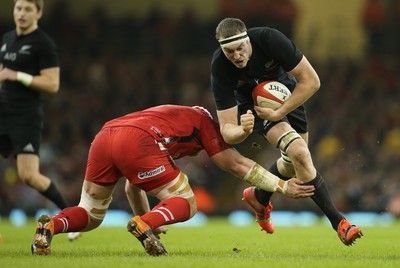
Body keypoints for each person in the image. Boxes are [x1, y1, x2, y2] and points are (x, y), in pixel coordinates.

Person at [31, 104, 315, 256]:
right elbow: (238, 165)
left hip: (107, 134)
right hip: (140, 140)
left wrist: (149, 224)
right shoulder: (206, 122)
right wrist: (282, 186)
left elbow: (133, 185)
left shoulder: (179, 114)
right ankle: (145, 224)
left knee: (91, 214)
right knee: (187, 202)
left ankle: (51, 226)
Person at [210, 17, 363, 246]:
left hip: (289, 96)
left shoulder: (269, 39)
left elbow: (311, 81)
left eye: (240, 48)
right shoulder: (220, 66)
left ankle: (258, 197)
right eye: (229, 51)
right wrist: (243, 130)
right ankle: (340, 223)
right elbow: (227, 130)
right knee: (300, 153)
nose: (236, 56)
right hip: (257, 107)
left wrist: (280, 110)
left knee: (293, 164)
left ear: (248, 40)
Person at [0, 0, 80, 240]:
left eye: (27, 9)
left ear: (39, 13)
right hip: (3, 112)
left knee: (29, 176)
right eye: (18, 9)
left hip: (25, 116)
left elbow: (52, 84)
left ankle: (71, 219)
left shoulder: (43, 44)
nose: (22, 14)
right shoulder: (7, 39)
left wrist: (18, 75)